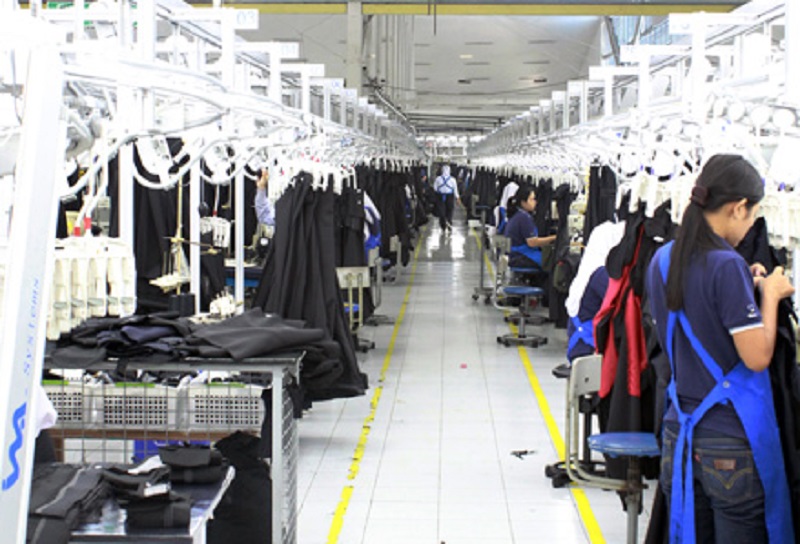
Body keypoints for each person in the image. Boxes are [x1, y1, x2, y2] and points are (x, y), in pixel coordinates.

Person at [645, 154, 795, 543]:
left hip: (679, 432)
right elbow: (757, 357)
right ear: (738, 207)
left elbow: (696, 313)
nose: (748, 229)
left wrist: (745, 285)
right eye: (752, 217)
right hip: (729, 441)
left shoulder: (663, 259)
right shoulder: (726, 264)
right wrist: (770, 296)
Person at [505, 185, 556, 272]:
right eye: (532, 199)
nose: (535, 202)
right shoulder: (523, 217)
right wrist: (554, 238)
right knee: (553, 262)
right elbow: (532, 242)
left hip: (514, 255)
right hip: (520, 257)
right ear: (523, 202)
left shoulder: (518, 214)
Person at [434, 165, 460, 232]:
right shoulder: (453, 179)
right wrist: (457, 198)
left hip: (440, 196)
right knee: (450, 210)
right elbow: (455, 190)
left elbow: (435, 188)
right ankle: (449, 222)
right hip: (450, 196)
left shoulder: (438, 179)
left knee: (441, 211)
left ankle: (443, 224)